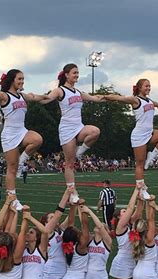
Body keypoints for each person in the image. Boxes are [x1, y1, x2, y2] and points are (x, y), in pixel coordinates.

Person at [0, 69, 49, 210]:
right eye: (19, 79)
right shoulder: (4, 96)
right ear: (11, 80)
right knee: (11, 169)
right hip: (9, 135)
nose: (22, 81)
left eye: (23, 79)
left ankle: (22, 161)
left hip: (22, 131)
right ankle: (12, 198)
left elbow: (36, 97)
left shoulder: (22, 96)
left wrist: (50, 96)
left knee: (37, 139)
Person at [42, 63, 105, 204]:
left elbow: (96, 98)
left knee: (95, 131)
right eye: (74, 73)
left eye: (77, 73)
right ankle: (72, 192)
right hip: (66, 129)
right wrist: (32, 98)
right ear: (66, 75)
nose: (76, 75)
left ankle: (80, 151)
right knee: (69, 164)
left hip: (79, 127)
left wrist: (114, 97)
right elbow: (47, 98)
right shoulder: (60, 91)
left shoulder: (79, 92)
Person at [104, 80, 158, 198]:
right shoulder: (135, 100)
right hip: (139, 135)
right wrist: (105, 96)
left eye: (150, 85)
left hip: (150, 133)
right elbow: (119, 98)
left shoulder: (150, 101)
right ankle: (141, 189)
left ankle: (152, 155)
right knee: (140, 164)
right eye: (146, 86)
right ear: (140, 88)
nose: (149, 88)